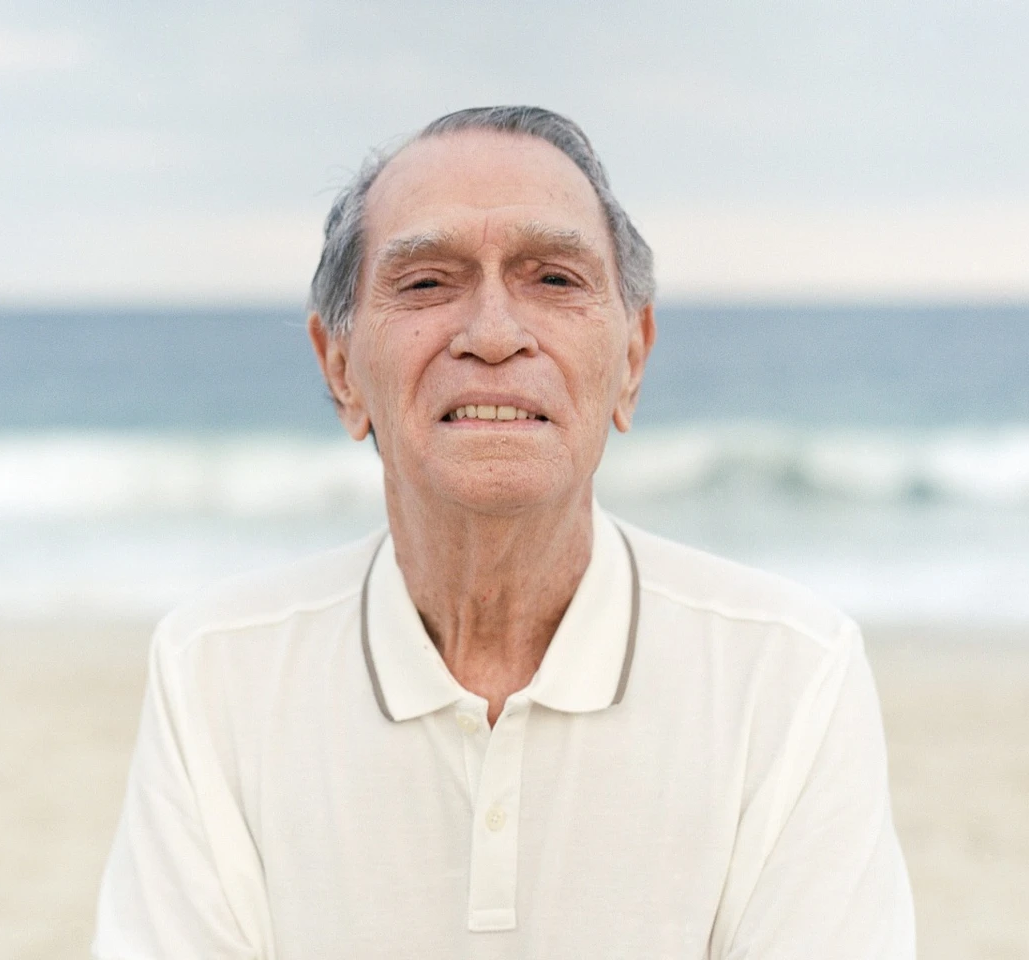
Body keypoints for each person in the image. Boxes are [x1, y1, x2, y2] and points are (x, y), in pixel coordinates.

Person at [92, 106, 915, 959]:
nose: (492, 335)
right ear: (341, 369)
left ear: (631, 358)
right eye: (426, 283)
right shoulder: (216, 674)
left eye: (554, 279)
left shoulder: (789, 674)